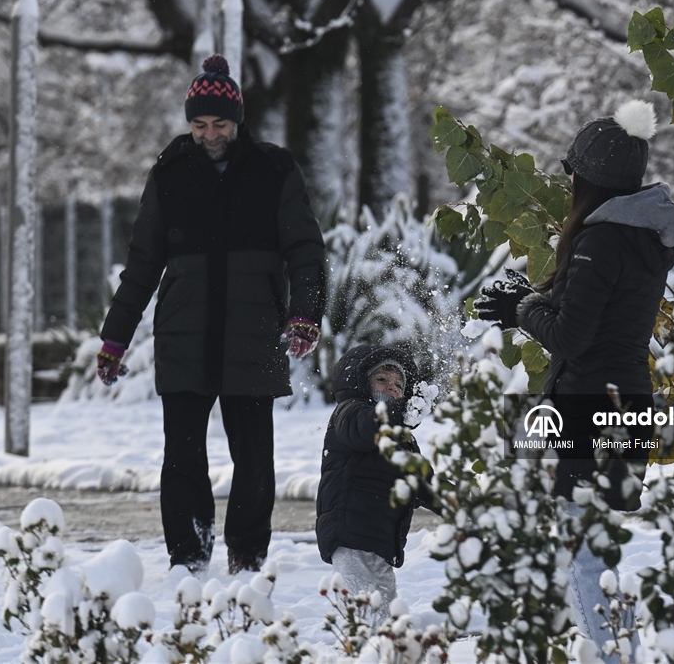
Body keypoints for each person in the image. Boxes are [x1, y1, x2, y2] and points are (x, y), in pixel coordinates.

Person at [95, 54, 326, 575]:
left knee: (254, 460)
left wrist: (305, 313)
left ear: (237, 120)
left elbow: (305, 250)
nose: (209, 133)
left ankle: (247, 558)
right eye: (199, 124)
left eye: (218, 123)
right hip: (184, 334)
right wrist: (115, 339)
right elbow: (143, 263)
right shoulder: (170, 173)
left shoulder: (274, 170)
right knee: (181, 457)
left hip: (254, 330)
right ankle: (188, 558)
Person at [475, 100, 674, 654]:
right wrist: (532, 302)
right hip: (628, 406)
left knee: (584, 555)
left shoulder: (601, 239)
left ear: (587, 178)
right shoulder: (641, 237)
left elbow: (572, 338)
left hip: (591, 412)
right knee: (590, 550)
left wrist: (524, 308)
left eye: (573, 175)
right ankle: (607, 648)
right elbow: (598, 317)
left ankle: (613, 655)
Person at [315, 345, 439, 627]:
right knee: (364, 616)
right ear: (360, 382)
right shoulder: (349, 414)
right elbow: (367, 425)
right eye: (382, 379)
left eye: (398, 385)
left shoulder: (401, 439)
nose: (392, 388)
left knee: (386, 619)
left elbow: (422, 482)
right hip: (349, 535)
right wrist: (398, 411)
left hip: (380, 542)